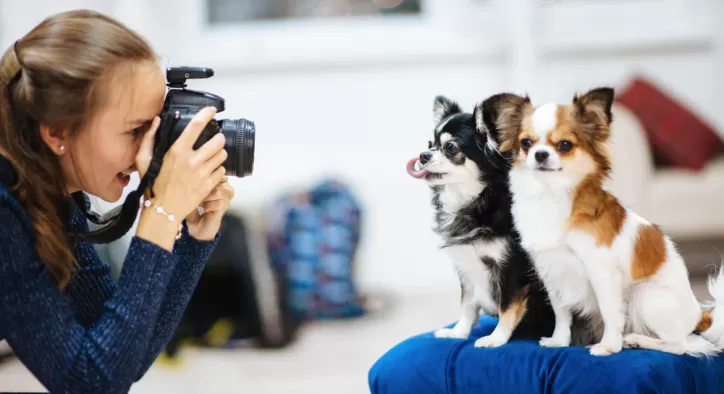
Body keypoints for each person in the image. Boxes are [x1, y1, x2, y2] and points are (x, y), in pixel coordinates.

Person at [0, 9, 235, 394]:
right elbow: (92, 383)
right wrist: (158, 214)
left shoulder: (51, 195)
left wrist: (192, 239)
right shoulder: (6, 208)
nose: (151, 148)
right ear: (57, 132)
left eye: (155, 127)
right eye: (136, 130)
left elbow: (121, 357)